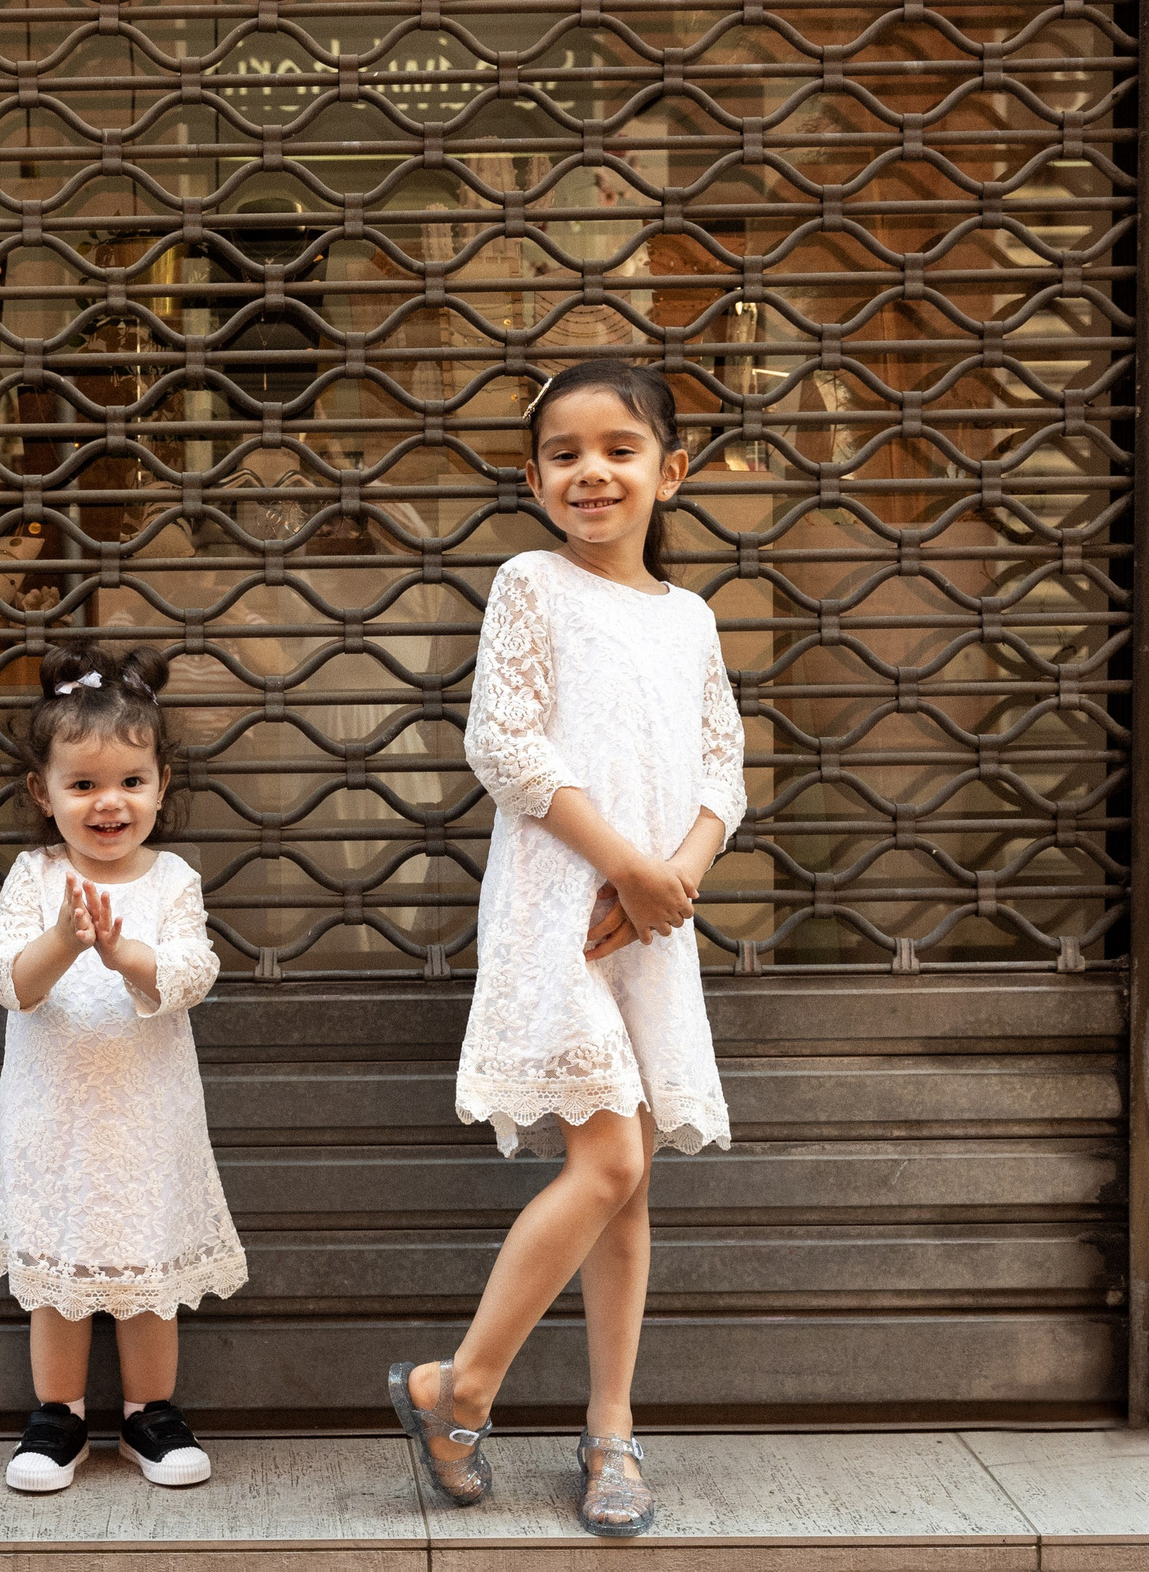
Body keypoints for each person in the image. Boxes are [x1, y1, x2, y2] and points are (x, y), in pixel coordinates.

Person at [388, 359, 747, 1537]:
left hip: (650, 922)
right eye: (564, 452)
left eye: (618, 448)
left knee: (626, 1182)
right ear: (534, 476)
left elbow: (723, 769)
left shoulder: (688, 617)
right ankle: (460, 1388)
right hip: (560, 907)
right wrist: (625, 869)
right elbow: (503, 744)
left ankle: (608, 1426)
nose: (590, 470)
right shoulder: (529, 583)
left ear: (670, 470)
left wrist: (672, 876)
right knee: (606, 1163)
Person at [0, 643, 246, 1493]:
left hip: (147, 1115)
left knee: (146, 1269)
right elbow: (8, 982)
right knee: (57, 1272)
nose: (108, 802)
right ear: (42, 793)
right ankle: (58, 1415)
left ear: (162, 785)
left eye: (130, 780)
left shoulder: (173, 880)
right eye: (83, 784)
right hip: (52, 1114)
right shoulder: (34, 876)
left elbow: (192, 974)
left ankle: (148, 1413)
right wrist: (64, 939)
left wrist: (127, 954)